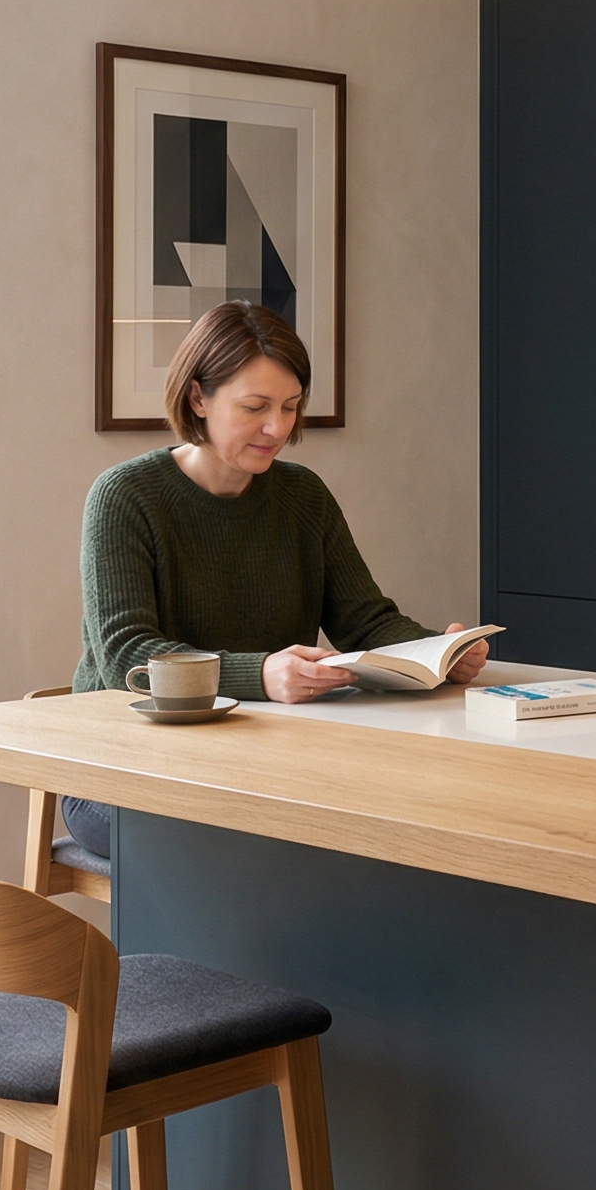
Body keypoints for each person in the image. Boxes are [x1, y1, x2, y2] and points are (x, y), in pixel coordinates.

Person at [61, 299, 489, 858]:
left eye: (289, 407)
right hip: (119, 770)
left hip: (262, 763)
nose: (277, 427)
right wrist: (259, 674)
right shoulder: (125, 496)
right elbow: (127, 656)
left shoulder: (303, 495)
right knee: (255, 848)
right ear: (198, 398)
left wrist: (436, 652)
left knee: (406, 814)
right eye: (255, 407)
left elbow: (364, 621)